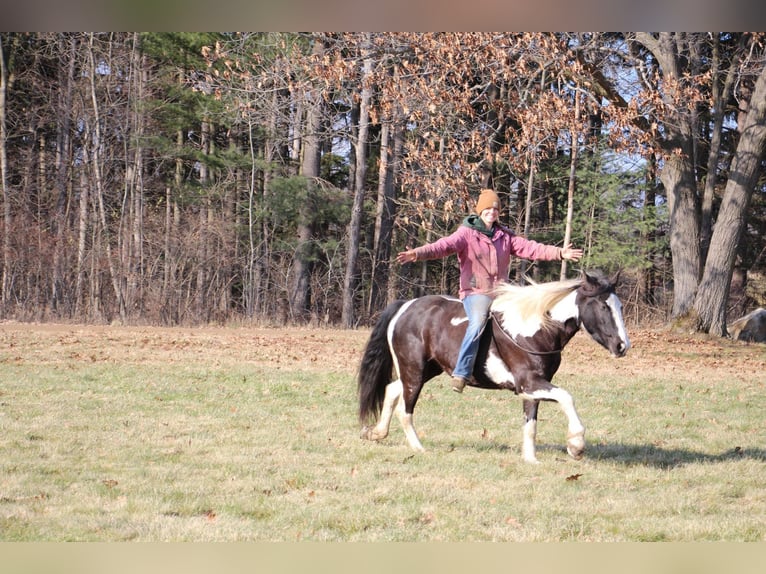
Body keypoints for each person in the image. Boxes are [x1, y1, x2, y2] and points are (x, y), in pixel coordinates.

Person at [396, 188, 583, 393]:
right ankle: (462, 371)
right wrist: (417, 253)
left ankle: (519, 368)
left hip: (502, 293)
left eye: (495, 209)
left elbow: (531, 248)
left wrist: (560, 253)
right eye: (487, 208)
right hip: (476, 292)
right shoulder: (466, 233)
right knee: (477, 322)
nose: (491, 212)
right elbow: (443, 246)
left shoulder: (505, 236)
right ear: (479, 211)